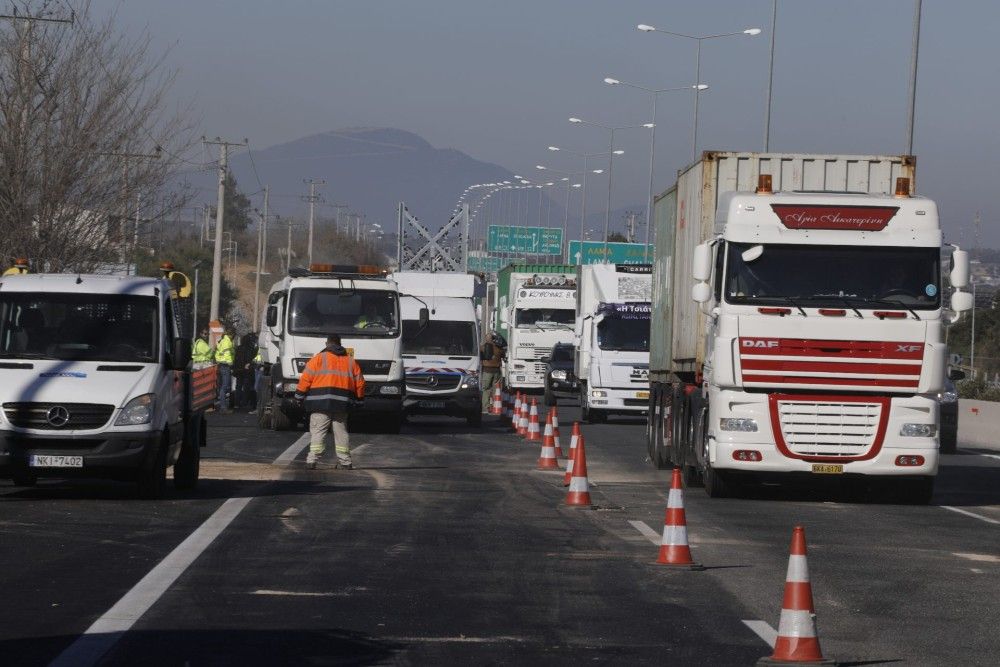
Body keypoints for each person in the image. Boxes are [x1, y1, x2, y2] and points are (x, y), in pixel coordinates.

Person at [295, 334, 365, 469]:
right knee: (341, 432)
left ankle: (312, 460)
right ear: (340, 344)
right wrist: (360, 399)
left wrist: (299, 396)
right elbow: (360, 383)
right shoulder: (351, 361)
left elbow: (306, 379)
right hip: (342, 404)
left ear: (326, 344)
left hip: (320, 403)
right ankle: (345, 462)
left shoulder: (318, 359)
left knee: (318, 431)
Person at [480, 331, 504, 413]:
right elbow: (503, 355)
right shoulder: (499, 348)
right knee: (496, 390)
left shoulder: (482, 347)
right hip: (497, 371)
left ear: (486, 339)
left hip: (487, 370)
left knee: (486, 389)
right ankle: (495, 406)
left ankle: (486, 408)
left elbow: (480, 357)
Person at [214, 326, 235, 412]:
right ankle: (223, 407)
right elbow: (227, 354)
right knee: (225, 386)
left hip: (221, 365)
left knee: (223, 386)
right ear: (231, 334)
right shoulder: (227, 341)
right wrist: (231, 363)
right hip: (226, 365)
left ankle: (224, 406)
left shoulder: (222, 340)